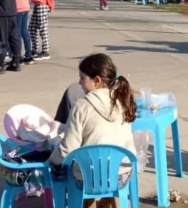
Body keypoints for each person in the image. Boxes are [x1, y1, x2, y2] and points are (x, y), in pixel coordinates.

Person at [49, 54, 136, 208]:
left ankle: (86, 202)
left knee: (62, 169)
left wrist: (51, 161)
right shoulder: (123, 100)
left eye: (82, 78)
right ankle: (107, 201)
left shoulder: (81, 106)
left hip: (89, 178)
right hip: (120, 175)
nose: (79, 83)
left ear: (97, 81)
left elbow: (68, 148)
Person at [8, 0, 34, 65]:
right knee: (24, 31)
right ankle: (28, 55)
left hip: (18, 8)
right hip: (25, 6)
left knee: (16, 33)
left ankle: (18, 56)